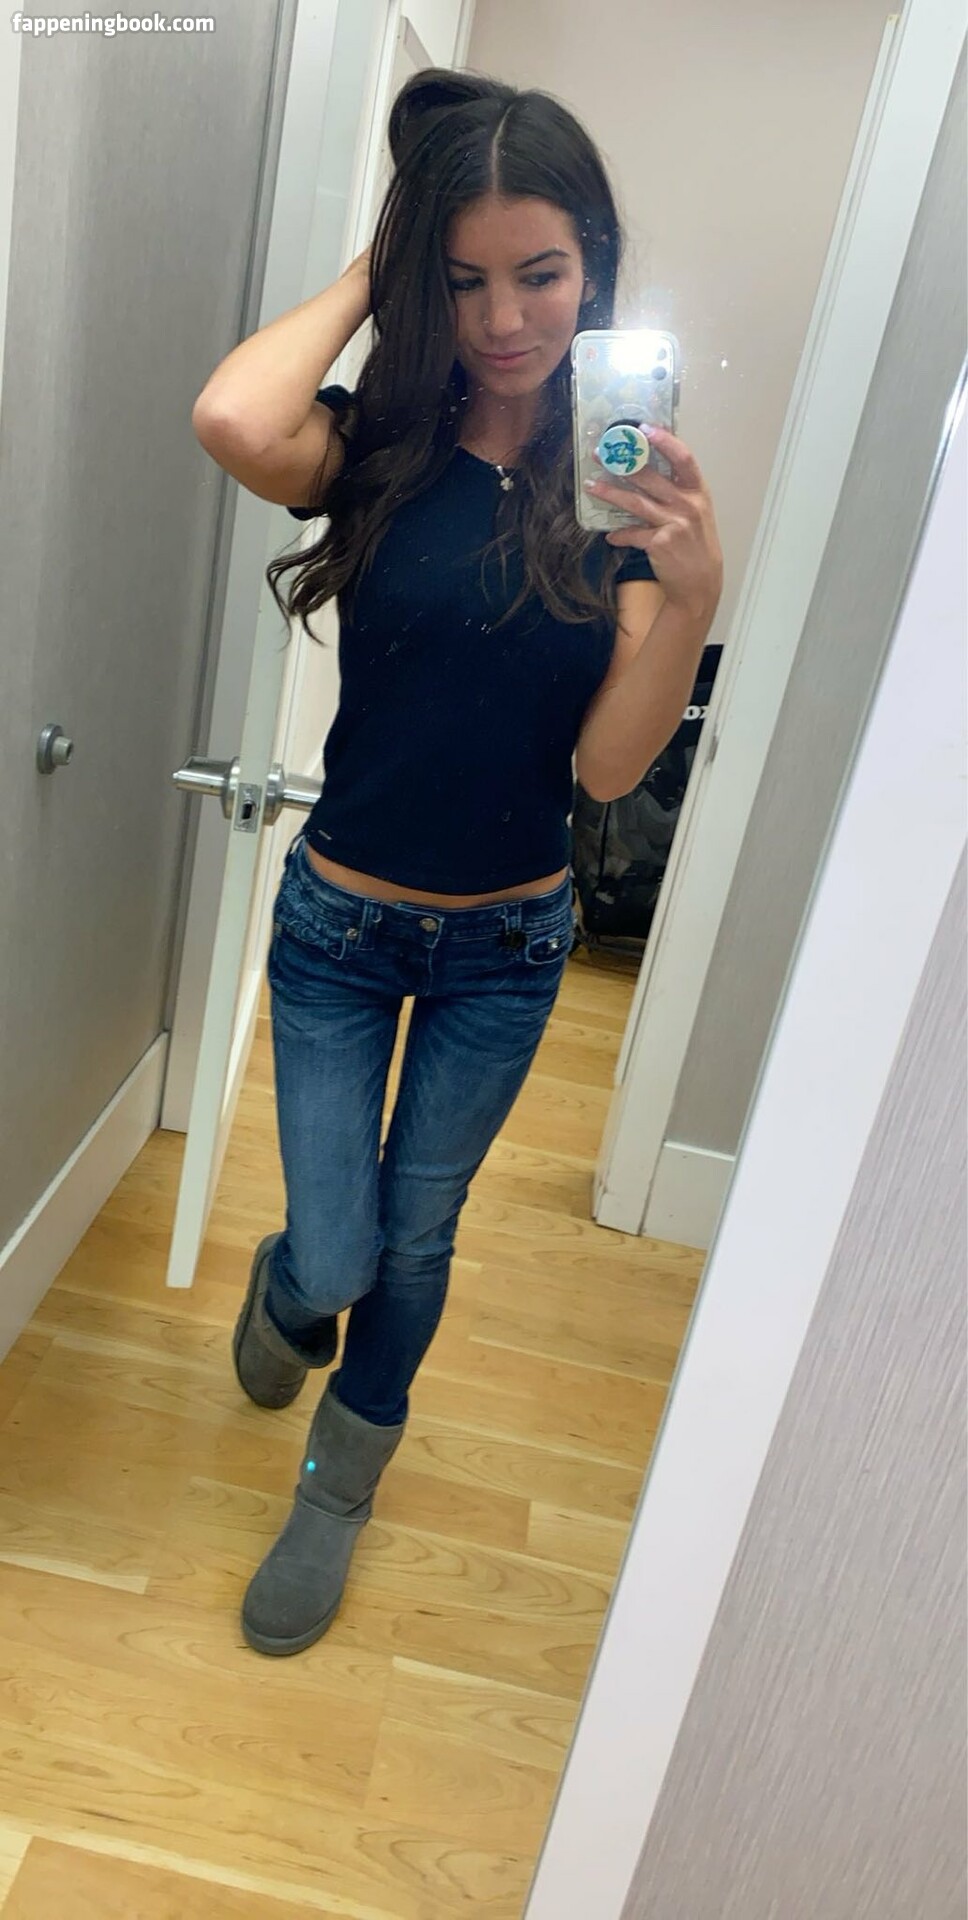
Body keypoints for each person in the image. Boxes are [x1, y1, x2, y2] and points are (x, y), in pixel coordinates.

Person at [191, 69, 723, 1658]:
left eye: (540, 274)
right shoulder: (380, 442)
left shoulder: (623, 488)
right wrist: (387, 249)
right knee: (337, 1245)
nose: (504, 319)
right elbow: (235, 419)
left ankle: (336, 1488)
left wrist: (691, 596)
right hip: (342, 931)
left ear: (595, 264)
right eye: (466, 276)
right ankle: (295, 1286)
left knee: (416, 1242)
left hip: (507, 950)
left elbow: (608, 770)